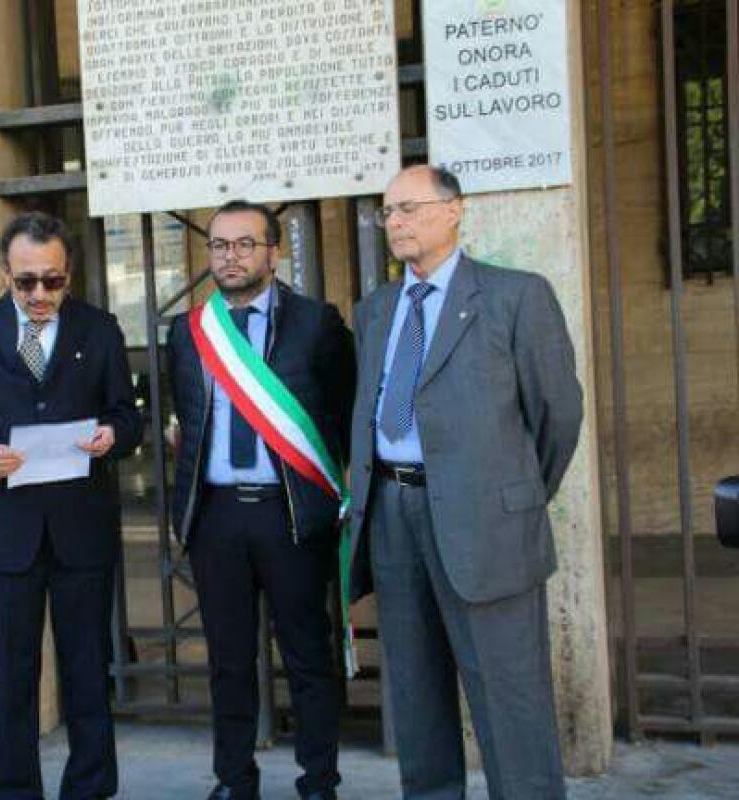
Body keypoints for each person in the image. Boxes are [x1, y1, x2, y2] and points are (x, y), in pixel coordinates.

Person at [346, 165, 584, 799]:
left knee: (510, 699)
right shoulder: (374, 311)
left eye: (408, 208)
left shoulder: (515, 296)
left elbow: (557, 415)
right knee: (417, 698)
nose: (394, 221)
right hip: (393, 517)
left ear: (454, 210)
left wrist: (512, 496)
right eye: (386, 212)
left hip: (488, 525)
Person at [0, 211, 143, 800]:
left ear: (68, 274)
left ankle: (90, 789)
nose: (41, 294)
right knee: (11, 681)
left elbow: (129, 415)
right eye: (27, 282)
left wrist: (112, 436)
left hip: (81, 529)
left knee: (86, 676)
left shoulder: (98, 330)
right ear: (5, 275)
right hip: (4, 533)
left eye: (53, 280)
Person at [166, 200, 356, 800]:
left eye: (245, 244)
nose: (230, 256)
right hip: (216, 516)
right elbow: (189, 421)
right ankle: (233, 780)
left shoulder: (316, 324)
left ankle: (319, 782)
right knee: (227, 661)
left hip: (291, 514)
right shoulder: (189, 331)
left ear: (273, 252)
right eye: (220, 245)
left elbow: (343, 411)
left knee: (306, 654)